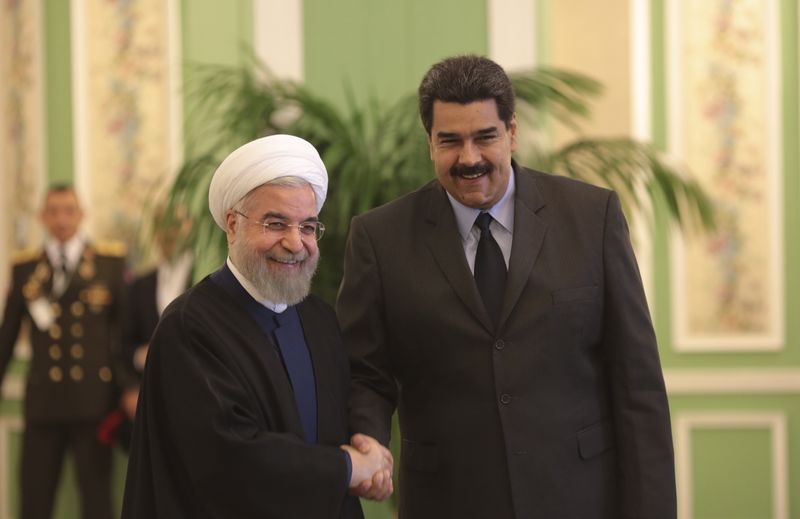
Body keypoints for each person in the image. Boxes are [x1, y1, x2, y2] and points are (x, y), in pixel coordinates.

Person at [336, 55, 677, 518]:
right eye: (450, 141)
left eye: (485, 137)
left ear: (511, 133)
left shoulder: (591, 217)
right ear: (429, 143)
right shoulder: (379, 238)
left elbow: (637, 384)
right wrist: (368, 442)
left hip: (581, 499)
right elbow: (365, 373)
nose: (470, 158)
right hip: (448, 501)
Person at [121, 134, 393, 519]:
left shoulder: (318, 318)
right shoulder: (189, 328)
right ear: (232, 226)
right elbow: (229, 458)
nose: (295, 243)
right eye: (276, 223)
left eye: (308, 227)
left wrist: (369, 449)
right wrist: (347, 467)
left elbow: (347, 409)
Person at [0, 185, 129, 519]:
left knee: (97, 500)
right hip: (44, 404)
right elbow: (7, 337)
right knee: (35, 500)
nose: (61, 219)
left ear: (81, 214)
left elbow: (123, 334)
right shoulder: (26, 268)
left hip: (93, 401)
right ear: (43, 217)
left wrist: (129, 386)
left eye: (68, 210)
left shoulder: (109, 264)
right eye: (53, 211)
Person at [120, 203, 194, 421]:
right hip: (149, 398)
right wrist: (136, 361)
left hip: (198, 398)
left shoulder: (206, 278)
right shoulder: (140, 285)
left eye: (176, 225)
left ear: (190, 227)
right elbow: (122, 343)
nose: (169, 232)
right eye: (161, 225)